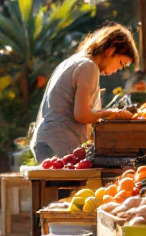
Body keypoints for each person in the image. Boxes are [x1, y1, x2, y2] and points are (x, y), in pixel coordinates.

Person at [31, 23, 138, 163]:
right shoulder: (88, 66)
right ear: (110, 51)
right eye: (121, 64)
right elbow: (82, 115)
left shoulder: (73, 61)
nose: (117, 70)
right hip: (58, 142)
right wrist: (112, 113)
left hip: (46, 140)